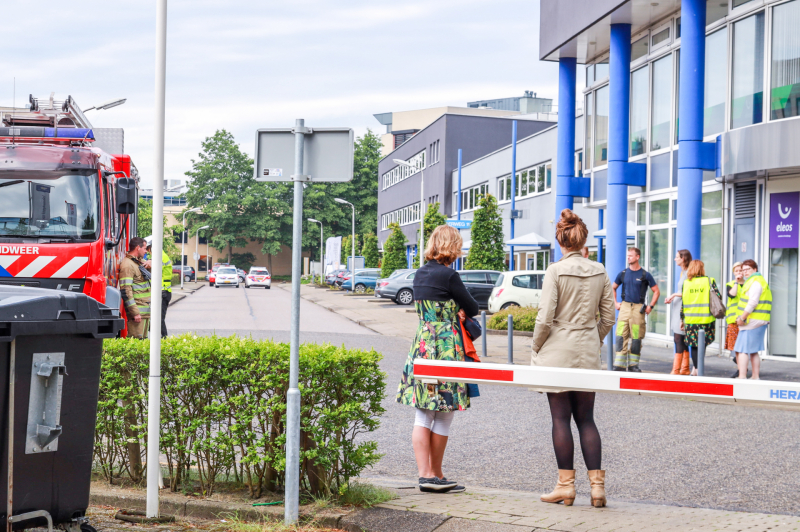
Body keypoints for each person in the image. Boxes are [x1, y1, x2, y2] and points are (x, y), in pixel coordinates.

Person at [532, 209, 615, 508]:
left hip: (557, 349)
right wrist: (595, 338)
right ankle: (597, 489)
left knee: (560, 418)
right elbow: (609, 316)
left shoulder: (554, 270)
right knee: (587, 419)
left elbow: (544, 318)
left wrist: (537, 347)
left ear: (561, 241)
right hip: (587, 348)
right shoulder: (600, 270)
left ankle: (565, 487)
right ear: (583, 241)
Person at [396, 225, 479, 494]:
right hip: (446, 348)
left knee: (423, 412)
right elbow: (474, 307)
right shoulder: (449, 275)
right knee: (444, 412)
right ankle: (436, 475)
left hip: (422, 346)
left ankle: (427, 476)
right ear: (452, 246)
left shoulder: (420, 273)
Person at [611, 248, 660, 372]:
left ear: (637, 257)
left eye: (631, 256)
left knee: (636, 337)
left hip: (638, 309)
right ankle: (619, 365)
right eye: (628, 256)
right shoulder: (622, 273)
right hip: (625, 308)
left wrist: (650, 306)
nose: (628, 258)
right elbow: (613, 288)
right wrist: (615, 302)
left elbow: (656, 291)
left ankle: (633, 365)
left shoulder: (645, 275)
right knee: (620, 335)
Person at [680, 260, 722, 375]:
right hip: (706, 320)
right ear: (701, 268)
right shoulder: (709, 281)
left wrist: (681, 319)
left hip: (690, 320)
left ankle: (696, 369)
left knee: (694, 345)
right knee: (702, 345)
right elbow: (718, 297)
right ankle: (699, 370)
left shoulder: (686, 283)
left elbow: (683, 303)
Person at [734, 260, 771, 380]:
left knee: (742, 350)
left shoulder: (755, 283)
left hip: (751, 321)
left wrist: (742, 318)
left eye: (748, 269)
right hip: (759, 320)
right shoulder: (757, 281)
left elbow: (752, 303)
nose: (745, 272)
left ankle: (742, 376)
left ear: (755, 269)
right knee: (753, 351)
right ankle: (755, 376)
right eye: (743, 270)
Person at [664, 250, 692, 375]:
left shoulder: (689, 273)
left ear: (683, 258)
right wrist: (673, 297)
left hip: (683, 309)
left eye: (677, 257)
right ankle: (684, 368)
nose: (675, 259)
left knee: (679, 337)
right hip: (678, 307)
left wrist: (674, 294)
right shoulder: (683, 272)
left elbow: (689, 292)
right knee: (681, 338)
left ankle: (677, 369)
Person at [119, 237, 152, 339]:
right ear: (138, 247)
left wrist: (151, 264)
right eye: (145, 248)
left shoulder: (138, 262)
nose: (146, 251)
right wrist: (135, 312)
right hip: (138, 313)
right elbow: (126, 290)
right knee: (136, 343)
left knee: (143, 344)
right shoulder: (127, 265)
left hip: (144, 312)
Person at [145, 236, 172, 338]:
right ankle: (159, 337)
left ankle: (164, 338)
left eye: (148, 248)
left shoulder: (160, 256)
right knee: (155, 318)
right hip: (160, 292)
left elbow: (156, 265)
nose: (147, 251)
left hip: (163, 292)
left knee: (159, 318)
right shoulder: (156, 256)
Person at [725, 262, 745, 377]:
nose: (739, 273)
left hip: (746, 320)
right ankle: (740, 369)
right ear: (734, 273)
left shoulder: (748, 284)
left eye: (741, 270)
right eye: (736, 271)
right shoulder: (731, 284)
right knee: (736, 347)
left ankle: (742, 369)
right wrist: (737, 282)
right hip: (733, 320)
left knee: (744, 346)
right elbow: (732, 295)